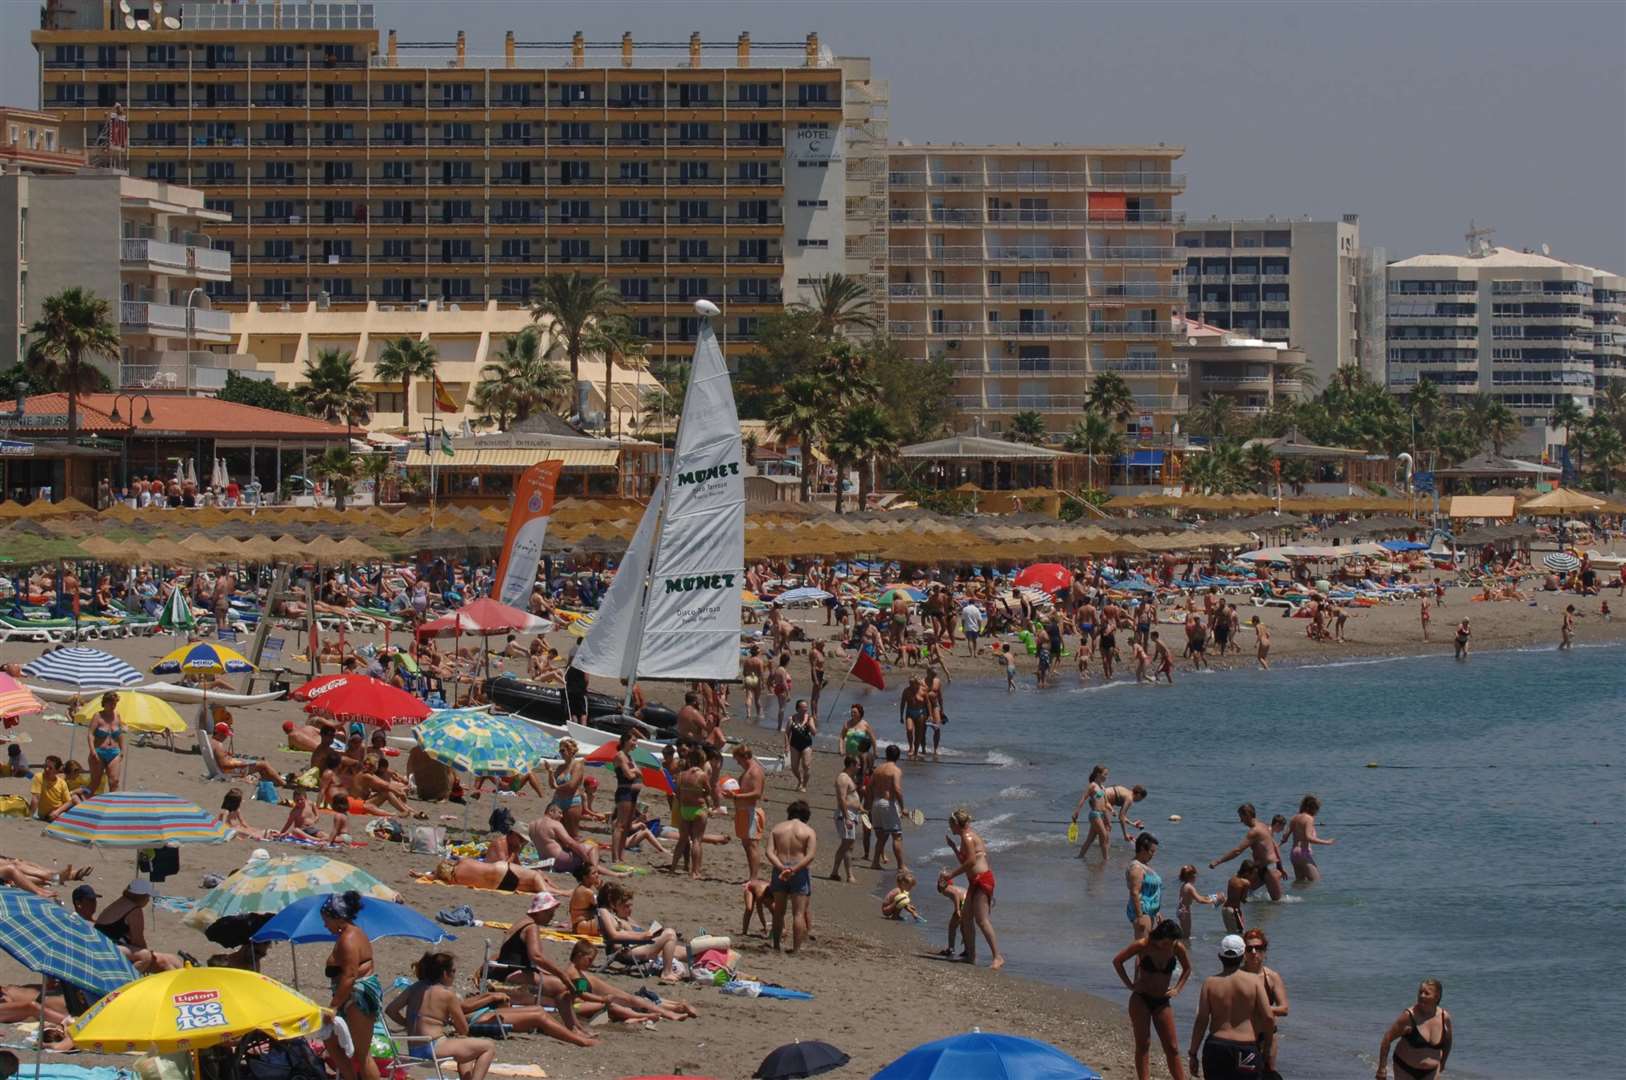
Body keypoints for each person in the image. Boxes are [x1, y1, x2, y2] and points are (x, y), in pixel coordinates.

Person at [383, 951, 494, 1080]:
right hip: (433, 1049)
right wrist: (450, 1020)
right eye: (453, 971)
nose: (454, 975)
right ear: (444, 973)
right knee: (488, 1047)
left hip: (414, 1049)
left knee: (466, 1049)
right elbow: (463, 1029)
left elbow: (390, 1010)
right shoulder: (447, 994)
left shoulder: (415, 987)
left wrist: (407, 1024)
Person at [1187, 935, 1275, 1080]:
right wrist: (1267, 1047)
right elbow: (1268, 1017)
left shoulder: (1210, 983)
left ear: (1219, 956)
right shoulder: (1254, 981)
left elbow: (1201, 1020)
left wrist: (1193, 1053)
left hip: (1216, 1046)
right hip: (1245, 1046)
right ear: (1243, 956)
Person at [1113, 919, 1192, 1080]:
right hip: (1141, 999)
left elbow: (1187, 968)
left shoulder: (1177, 947)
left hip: (1162, 1001)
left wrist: (1177, 989)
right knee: (1143, 1044)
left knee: (1172, 1047)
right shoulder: (1143, 944)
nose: (1170, 945)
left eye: (1173, 942)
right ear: (1160, 936)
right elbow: (1118, 961)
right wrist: (1129, 984)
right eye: (1167, 942)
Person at [322, 891, 382, 1080]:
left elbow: (350, 975)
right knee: (330, 1040)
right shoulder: (348, 934)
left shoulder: (348, 939)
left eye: (326, 920)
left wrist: (333, 1007)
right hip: (349, 995)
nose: (325, 925)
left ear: (337, 918)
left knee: (362, 1054)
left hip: (357, 996)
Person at [942, 808, 1002, 969]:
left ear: (956, 824)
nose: (950, 828)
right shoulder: (965, 837)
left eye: (951, 825)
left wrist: (951, 875)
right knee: (966, 917)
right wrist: (954, 848)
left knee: (982, 920)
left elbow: (970, 863)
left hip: (982, 881)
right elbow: (967, 860)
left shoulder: (967, 837)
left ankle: (998, 957)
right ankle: (970, 955)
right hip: (975, 881)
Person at [597, 882, 682, 981]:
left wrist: (646, 935)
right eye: (618, 898)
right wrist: (641, 937)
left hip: (631, 948)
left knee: (668, 933)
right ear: (611, 898)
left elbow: (626, 933)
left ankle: (668, 970)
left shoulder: (610, 913)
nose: (619, 901)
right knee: (669, 933)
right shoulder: (603, 912)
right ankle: (667, 972)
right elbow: (613, 935)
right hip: (624, 952)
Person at [765, 800, 817, 955]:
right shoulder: (808, 831)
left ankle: (775, 945)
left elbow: (769, 852)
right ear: (806, 816)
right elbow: (810, 856)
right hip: (798, 870)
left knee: (779, 911)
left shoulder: (777, 829)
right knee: (798, 913)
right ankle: (796, 948)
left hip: (779, 869)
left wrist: (782, 868)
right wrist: (793, 869)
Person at [1376, 978, 1452, 1080]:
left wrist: (1443, 1063)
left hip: (1431, 1071)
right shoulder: (1409, 1017)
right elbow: (1387, 1039)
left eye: (1426, 993)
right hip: (1405, 1069)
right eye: (1420, 992)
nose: (1422, 996)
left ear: (1436, 997)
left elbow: (1448, 1042)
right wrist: (1382, 1068)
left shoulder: (1444, 1017)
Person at [1210, 803, 1284, 901]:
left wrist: (1218, 861)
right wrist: (1280, 867)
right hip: (1261, 868)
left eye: (1242, 817)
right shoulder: (1264, 826)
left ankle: (1215, 900)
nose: (1241, 821)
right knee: (1240, 892)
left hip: (1269, 870)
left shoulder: (1254, 832)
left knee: (1277, 902)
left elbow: (1237, 851)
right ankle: (1215, 900)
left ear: (1248, 815)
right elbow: (1274, 846)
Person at [1241, 928, 1288, 1078]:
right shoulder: (1237, 976)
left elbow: (1284, 1008)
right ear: (1244, 952)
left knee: (1269, 1074)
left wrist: (1262, 1009)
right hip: (1244, 1037)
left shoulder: (1272, 977)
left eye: (1258, 948)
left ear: (1264, 950)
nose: (1254, 952)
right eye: (1249, 948)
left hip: (1268, 1037)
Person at [724, 744, 766, 883]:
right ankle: (751, 876)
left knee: (753, 845)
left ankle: (754, 878)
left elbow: (757, 793)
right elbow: (745, 791)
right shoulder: (748, 770)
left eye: (738, 760)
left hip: (751, 812)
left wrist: (736, 797)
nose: (737, 763)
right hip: (743, 811)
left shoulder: (755, 771)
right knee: (747, 846)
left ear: (745, 757)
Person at [670, 748, 710, 880]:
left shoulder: (681, 775)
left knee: (682, 840)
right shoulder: (702, 775)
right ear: (702, 760)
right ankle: (695, 872)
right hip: (698, 809)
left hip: (684, 810)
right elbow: (708, 791)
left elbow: (677, 793)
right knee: (697, 841)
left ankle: (673, 867)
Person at [526, 804, 597, 876]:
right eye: (559, 813)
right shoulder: (554, 823)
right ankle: (593, 872)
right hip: (558, 861)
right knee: (592, 847)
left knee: (582, 852)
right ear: (551, 811)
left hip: (541, 862)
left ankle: (601, 871)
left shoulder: (531, 824)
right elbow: (570, 843)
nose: (562, 816)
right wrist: (585, 858)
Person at [868, 743, 908, 871]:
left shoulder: (878, 769)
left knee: (881, 836)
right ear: (898, 756)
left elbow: (869, 786)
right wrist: (903, 808)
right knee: (897, 836)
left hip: (876, 803)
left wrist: (870, 804)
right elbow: (897, 789)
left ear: (886, 755)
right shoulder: (896, 770)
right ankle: (901, 866)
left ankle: (875, 862)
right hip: (887, 804)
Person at [432, 857, 557, 894]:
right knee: (535, 876)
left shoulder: (455, 881)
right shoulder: (463, 862)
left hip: (500, 886)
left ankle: (557, 892)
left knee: (534, 887)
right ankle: (553, 895)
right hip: (501, 870)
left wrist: (429, 876)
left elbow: (435, 878)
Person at [1285, 794, 1336, 884]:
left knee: (1300, 882)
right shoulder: (1309, 819)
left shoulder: (1294, 818)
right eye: (1317, 809)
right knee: (1316, 881)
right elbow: (1309, 838)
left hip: (1293, 854)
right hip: (1303, 853)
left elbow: (1285, 836)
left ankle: (1293, 896)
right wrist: (1327, 842)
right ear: (1313, 808)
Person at [828, 754, 863, 883]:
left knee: (848, 845)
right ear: (851, 765)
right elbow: (841, 799)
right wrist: (847, 817)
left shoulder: (849, 777)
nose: (859, 767)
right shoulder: (843, 778)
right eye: (858, 764)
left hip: (851, 814)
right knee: (847, 844)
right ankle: (848, 875)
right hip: (845, 815)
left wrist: (860, 808)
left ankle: (836, 872)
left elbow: (850, 798)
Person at [1126, 832, 1163, 940]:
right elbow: (1135, 892)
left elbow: (1148, 891)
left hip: (1149, 911)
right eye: (1151, 851)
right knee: (1143, 950)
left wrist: (1157, 912)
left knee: (1147, 950)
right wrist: (1140, 916)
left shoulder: (1144, 865)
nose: (1153, 855)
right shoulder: (1136, 868)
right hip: (1142, 911)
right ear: (1142, 848)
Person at [87, 693, 125, 795]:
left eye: (115, 703)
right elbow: (90, 734)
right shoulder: (97, 716)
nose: (114, 705)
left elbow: (120, 734)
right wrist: (92, 750)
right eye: (111, 703)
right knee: (95, 782)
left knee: (114, 781)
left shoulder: (117, 715)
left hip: (114, 752)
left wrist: (122, 750)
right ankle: (84, 801)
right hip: (99, 752)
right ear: (105, 703)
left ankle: (111, 805)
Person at [1071, 764, 1112, 859]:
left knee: (1090, 839)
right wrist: (1076, 811)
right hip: (1095, 814)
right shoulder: (1092, 785)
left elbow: (1106, 804)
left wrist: (1109, 818)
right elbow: (1083, 798)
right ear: (1098, 774)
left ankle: (1079, 856)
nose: (1106, 777)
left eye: (1107, 774)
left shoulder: (1103, 788)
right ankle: (1106, 859)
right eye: (1105, 774)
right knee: (1104, 836)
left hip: (1102, 815)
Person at [547, 739, 585, 838]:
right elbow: (552, 785)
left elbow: (572, 785)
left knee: (572, 834)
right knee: (553, 832)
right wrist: (550, 772)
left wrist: (557, 787)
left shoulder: (577, 765)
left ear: (571, 750)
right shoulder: (560, 767)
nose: (561, 753)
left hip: (571, 802)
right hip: (557, 801)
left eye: (562, 750)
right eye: (560, 751)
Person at [1175, 865, 1221, 942]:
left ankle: (1185, 943)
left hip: (1181, 910)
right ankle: (1185, 946)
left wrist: (1210, 897)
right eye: (1195, 875)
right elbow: (1199, 900)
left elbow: (1198, 897)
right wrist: (1213, 901)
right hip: (1184, 911)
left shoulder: (1185, 885)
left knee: (1185, 931)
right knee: (1186, 934)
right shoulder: (1190, 887)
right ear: (1191, 876)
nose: (1196, 877)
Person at [27, 755, 78, 822]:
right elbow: (36, 798)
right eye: (45, 766)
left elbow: (68, 802)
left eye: (50, 768)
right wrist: (30, 816)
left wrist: (57, 811)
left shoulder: (62, 783)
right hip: (44, 814)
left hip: (58, 810)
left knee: (75, 798)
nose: (46, 769)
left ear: (56, 771)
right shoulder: (39, 777)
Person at [784, 699, 815, 793]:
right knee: (794, 767)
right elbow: (786, 733)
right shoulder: (792, 719)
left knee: (806, 765)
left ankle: (804, 785)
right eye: (803, 707)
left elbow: (814, 733)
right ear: (798, 709)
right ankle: (800, 780)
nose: (805, 709)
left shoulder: (810, 718)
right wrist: (786, 746)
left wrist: (810, 725)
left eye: (806, 707)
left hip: (806, 745)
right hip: (794, 745)